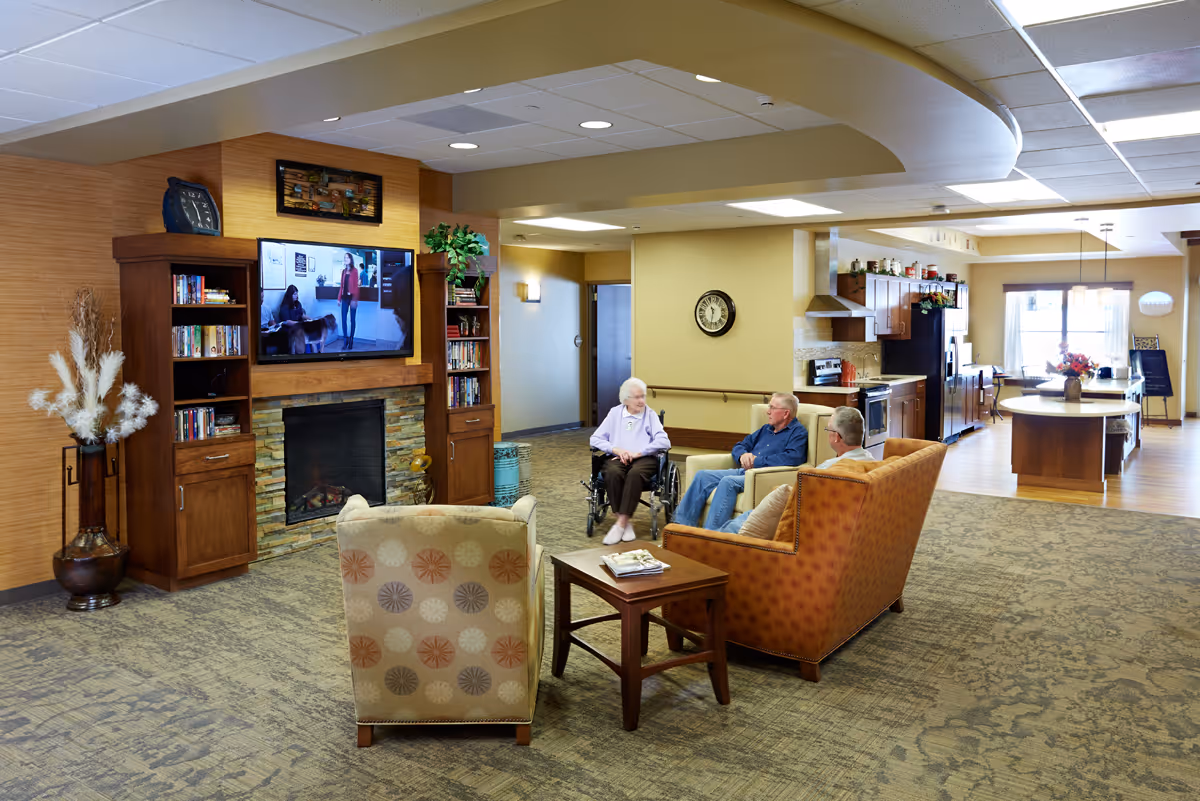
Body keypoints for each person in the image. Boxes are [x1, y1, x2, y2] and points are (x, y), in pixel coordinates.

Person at [717, 406, 875, 534]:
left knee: (730, 528)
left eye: (828, 430)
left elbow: (791, 503)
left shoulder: (824, 471)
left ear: (836, 437)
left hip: (788, 528)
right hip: (836, 528)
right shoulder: (874, 463)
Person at [673, 392, 807, 531]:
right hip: (743, 470)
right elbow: (740, 445)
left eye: (772, 408)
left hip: (761, 475)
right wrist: (743, 455)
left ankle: (712, 535)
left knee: (728, 482)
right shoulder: (765, 429)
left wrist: (757, 461)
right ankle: (681, 528)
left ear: (786, 413)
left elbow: (793, 458)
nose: (768, 411)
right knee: (702, 476)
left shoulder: (798, 433)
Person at [589, 377, 670, 545]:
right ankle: (626, 523)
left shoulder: (650, 415)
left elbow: (664, 442)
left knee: (635, 474)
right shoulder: (615, 413)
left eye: (643, 396)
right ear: (626, 399)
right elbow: (595, 439)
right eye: (637, 397)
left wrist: (639, 453)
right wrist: (616, 449)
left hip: (644, 459)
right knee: (612, 472)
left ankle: (620, 523)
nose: (642, 401)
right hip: (618, 456)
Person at [338, 252, 360, 349]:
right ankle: (345, 340)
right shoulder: (343, 271)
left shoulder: (354, 271)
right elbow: (341, 286)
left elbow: (356, 286)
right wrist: (339, 299)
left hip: (352, 298)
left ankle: (351, 340)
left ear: (351, 259)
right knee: (343, 320)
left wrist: (354, 299)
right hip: (344, 298)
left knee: (352, 320)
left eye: (347, 257)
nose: (346, 259)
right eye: (345, 257)